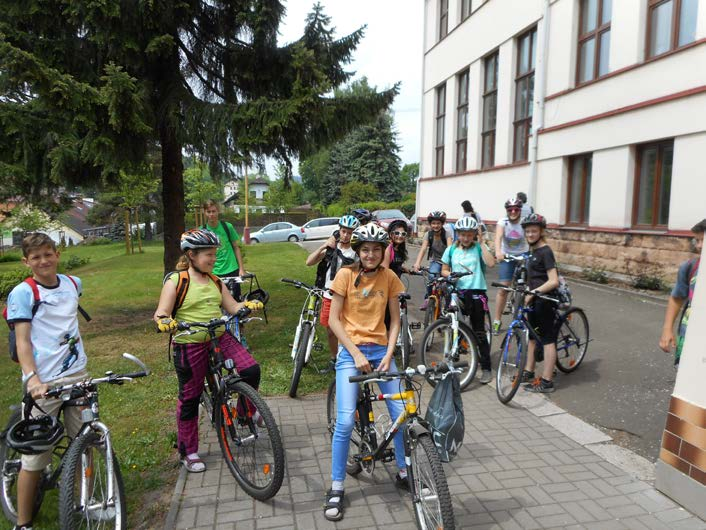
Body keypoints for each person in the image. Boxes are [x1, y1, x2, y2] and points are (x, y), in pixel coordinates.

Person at [153, 229, 262, 473]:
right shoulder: (177, 281)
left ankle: (245, 413)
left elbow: (232, 307)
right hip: (189, 341)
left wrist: (247, 305)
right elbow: (161, 313)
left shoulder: (215, 280)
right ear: (191, 255)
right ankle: (188, 451)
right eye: (208, 255)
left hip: (219, 335)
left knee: (251, 370)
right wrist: (164, 321)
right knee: (190, 398)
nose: (213, 259)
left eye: (214, 254)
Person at [6, 233, 90, 530]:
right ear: (26, 261)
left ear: (57, 253)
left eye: (48, 254)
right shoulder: (23, 293)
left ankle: (84, 502)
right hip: (44, 383)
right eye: (36, 257)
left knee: (84, 442)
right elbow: (24, 341)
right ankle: (24, 523)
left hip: (78, 374)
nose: (43, 261)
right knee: (35, 459)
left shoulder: (72, 284)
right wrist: (32, 379)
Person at [324, 223, 406, 522]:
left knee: (402, 414)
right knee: (345, 421)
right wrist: (356, 353)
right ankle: (336, 486)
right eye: (365, 249)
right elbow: (334, 321)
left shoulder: (390, 277)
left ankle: (403, 469)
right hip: (351, 352)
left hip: (381, 352)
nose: (371, 254)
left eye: (376, 249)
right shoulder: (345, 275)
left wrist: (389, 354)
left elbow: (395, 321)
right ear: (357, 252)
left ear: (383, 251)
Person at [441, 217, 496, 383]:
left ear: (474, 234)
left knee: (478, 331)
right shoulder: (451, 250)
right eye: (462, 234)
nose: (465, 238)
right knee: (456, 328)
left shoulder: (478, 248)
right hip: (458, 292)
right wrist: (450, 275)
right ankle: (455, 363)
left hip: (477, 292)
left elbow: (491, 263)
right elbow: (444, 269)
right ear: (458, 234)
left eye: (469, 235)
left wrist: (481, 241)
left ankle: (486, 367)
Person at [305, 215, 360, 366]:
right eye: (344, 231)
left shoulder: (356, 252)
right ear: (339, 230)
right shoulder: (331, 249)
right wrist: (324, 246)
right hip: (329, 294)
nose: (346, 235)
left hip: (348, 296)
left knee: (348, 330)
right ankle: (335, 358)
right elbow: (309, 262)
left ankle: (349, 357)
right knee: (330, 330)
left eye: (350, 232)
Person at [519, 214, 560, 394]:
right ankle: (529, 371)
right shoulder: (532, 252)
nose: (530, 234)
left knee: (548, 339)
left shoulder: (545, 251)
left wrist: (534, 293)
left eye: (534, 231)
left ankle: (547, 381)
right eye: (527, 231)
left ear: (541, 232)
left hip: (545, 301)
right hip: (533, 300)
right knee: (532, 337)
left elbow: (553, 280)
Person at [660, 219, 705, 366]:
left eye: (703, 240)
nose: (699, 246)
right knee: (687, 382)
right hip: (689, 337)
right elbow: (676, 298)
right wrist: (667, 330)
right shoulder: (690, 267)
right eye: (697, 240)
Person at [492, 198, 529, 333]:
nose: (513, 212)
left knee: (530, 288)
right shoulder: (503, 222)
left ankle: (527, 320)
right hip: (507, 256)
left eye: (516, 209)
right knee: (503, 289)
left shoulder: (525, 222)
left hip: (523, 255)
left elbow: (532, 237)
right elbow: (498, 237)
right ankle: (497, 320)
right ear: (507, 211)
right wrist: (498, 252)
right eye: (510, 209)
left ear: (520, 210)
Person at [202, 199, 246, 300]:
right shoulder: (202, 231)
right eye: (209, 212)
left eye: (214, 211)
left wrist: (241, 269)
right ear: (204, 212)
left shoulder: (227, 227)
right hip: (214, 271)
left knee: (235, 300)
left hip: (231, 269)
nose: (211, 214)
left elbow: (236, 248)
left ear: (218, 211)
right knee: (217, 301)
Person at [412, 211, 453, 310]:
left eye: (438, 223)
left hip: (447, 262)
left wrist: (450, 266)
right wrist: (417, 263)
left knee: (449, 284)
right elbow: (423, 249)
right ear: (430, 224)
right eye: (433, 223)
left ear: (442, 224)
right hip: (436, 261)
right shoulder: (428, 235)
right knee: (431, 276)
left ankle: (450, 304)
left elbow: (450, 249)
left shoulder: (447, 234)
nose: (436, 225)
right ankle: (428, 298)